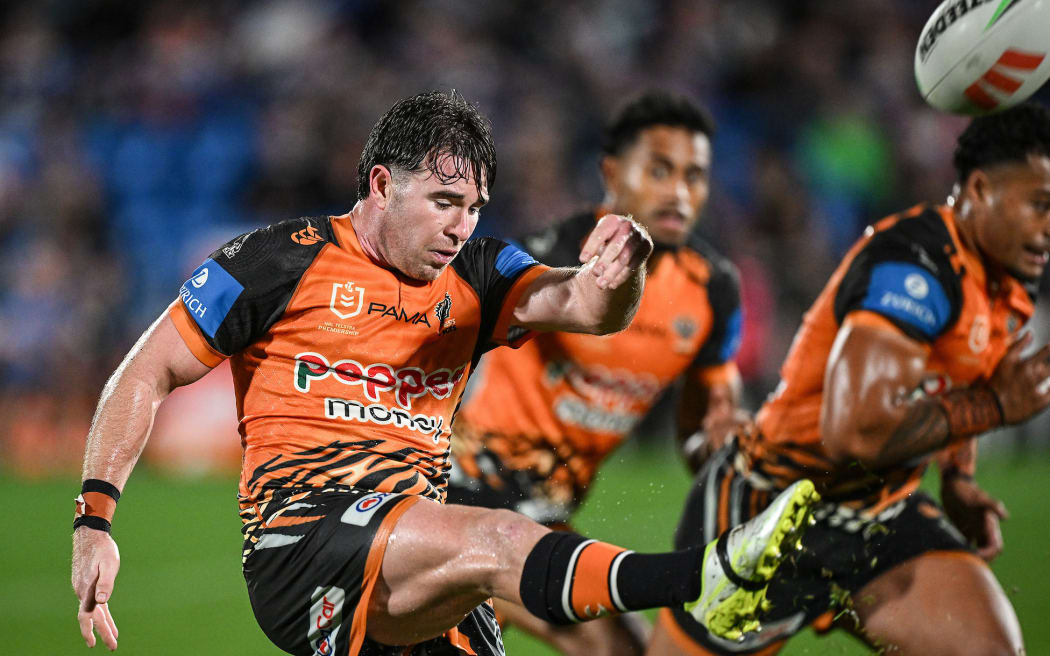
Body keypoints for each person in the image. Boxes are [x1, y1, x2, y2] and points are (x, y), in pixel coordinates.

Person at [70, 91, 817, 656]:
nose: (462, 225)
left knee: (491, 552)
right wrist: (94, 521)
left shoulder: (481, 275)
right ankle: (708, 575)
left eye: (475, 206)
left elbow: (582, 302)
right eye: (445, 201)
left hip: (419, 563)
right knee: (500, 537)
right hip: (301, 544)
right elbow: (145, 373)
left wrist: (620, 271)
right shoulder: (276, 261)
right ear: (381, 184)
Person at [648, 102, 1050, 655]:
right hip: (771, 510)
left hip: (876, 514)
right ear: (980, 189)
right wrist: (996, 410)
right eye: (1039, 205)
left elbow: (962, 376)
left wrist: (957, 477)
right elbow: (854, 433)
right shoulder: (915, 267)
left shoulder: (1009, 282)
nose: (1049, 226)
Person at [444, 91, 745, 655]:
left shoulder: (713, 291)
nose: (680, 191)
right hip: (461, 498)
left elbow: (704, 429)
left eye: (695, 175)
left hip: (545, 517)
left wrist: (726, 440)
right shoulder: (554, 255)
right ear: (611, 171)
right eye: (659, 170)